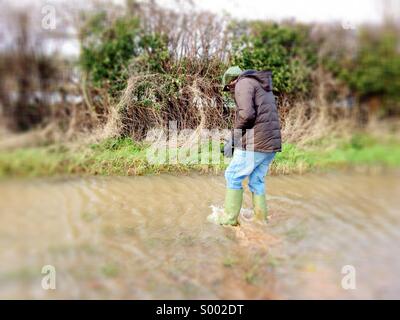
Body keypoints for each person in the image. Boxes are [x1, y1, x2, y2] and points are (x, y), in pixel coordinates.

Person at [208, 66, 282, 226]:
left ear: (232, 82)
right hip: (271, 143)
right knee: (256, 180)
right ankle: (261, 220)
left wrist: (232, 140)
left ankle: (229, 220)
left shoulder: (242, 83)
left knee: (232, 176)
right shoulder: (260, 84)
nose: (230, 92)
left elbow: (247, 115)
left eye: (228, 89)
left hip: (256, 143)